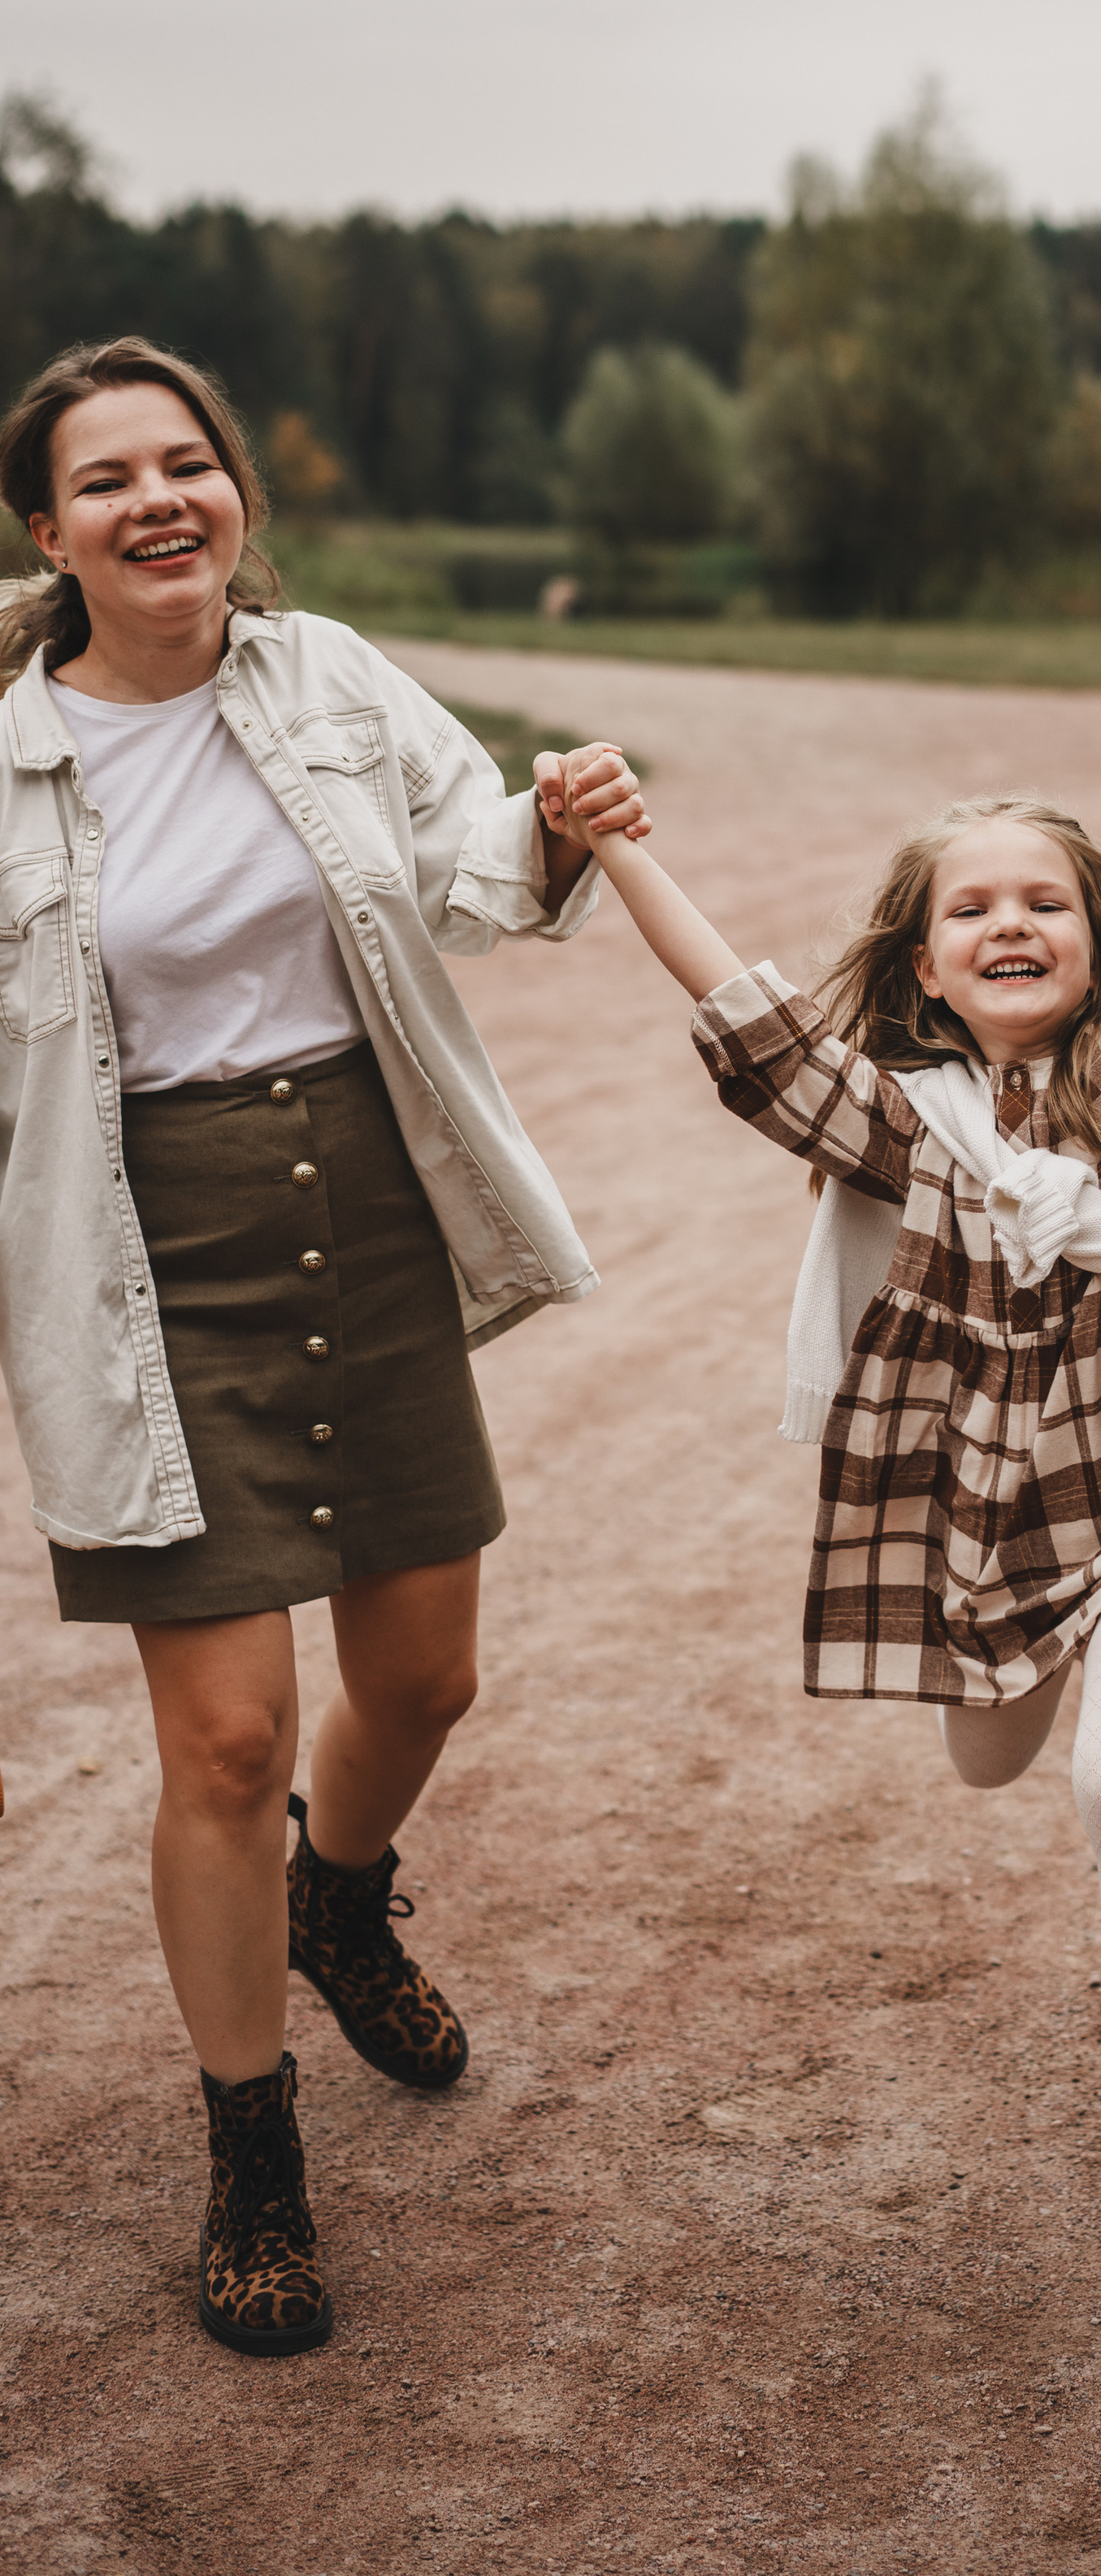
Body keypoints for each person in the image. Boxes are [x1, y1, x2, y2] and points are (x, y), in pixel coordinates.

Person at [0, 336, 648, 2356]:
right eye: (109, 481)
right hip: (138, 1254)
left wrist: (557, 824)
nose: (158, 503)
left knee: (424, 1675)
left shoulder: (332, 679)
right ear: (50, 533)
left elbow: (480, 872)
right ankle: (252, 2155)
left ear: (236, 500)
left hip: (359, 1215)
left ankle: (341, 1900)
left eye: (188, 466)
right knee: (223, 1739)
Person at [545, 674, 1101, 2228]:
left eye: (1047, 902)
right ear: (925, 968)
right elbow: (748, 1019)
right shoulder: (898, 1124)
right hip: (983, 1510)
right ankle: (1038, 1658)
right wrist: (617, 845)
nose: (1013, 922)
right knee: (991, 1758)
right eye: (974, 907)